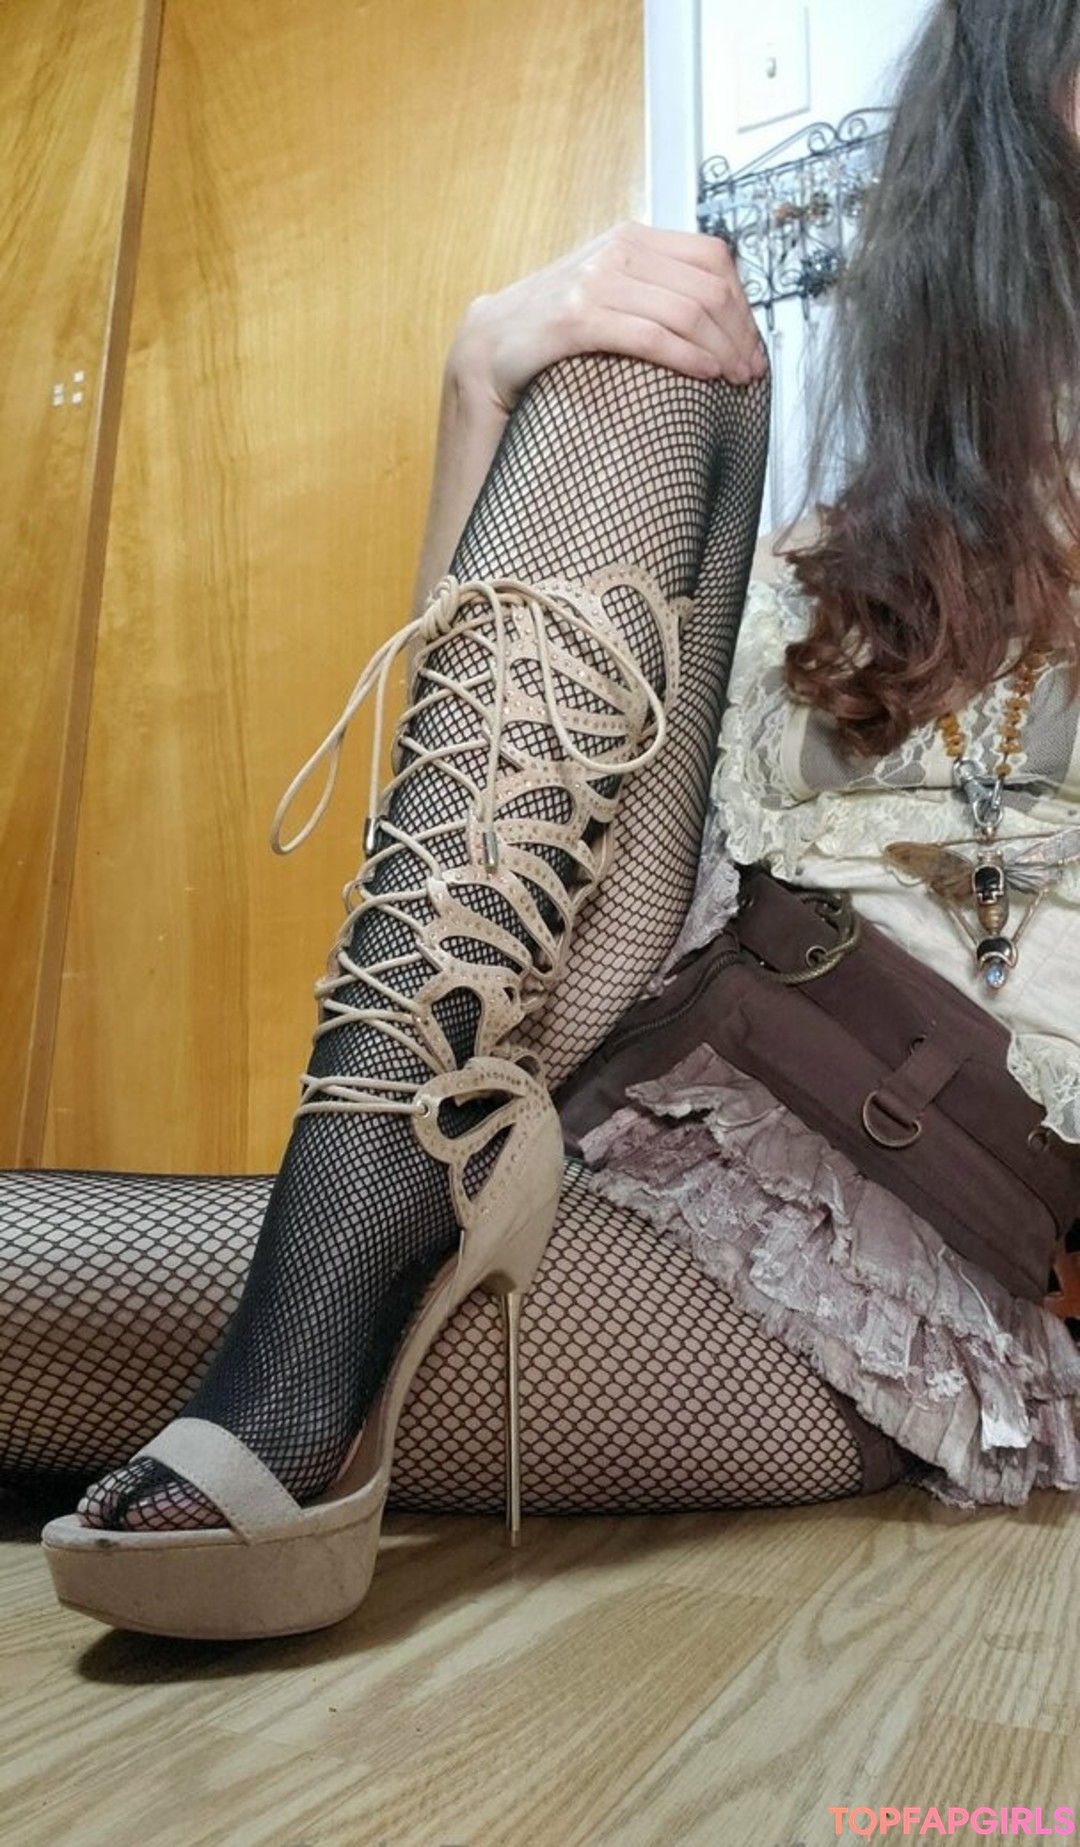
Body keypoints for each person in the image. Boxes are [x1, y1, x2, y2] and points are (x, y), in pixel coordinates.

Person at [24, 0, 1080, 1636]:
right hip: (594, 1067)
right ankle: (360, 1249)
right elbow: (488, 840)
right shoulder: (862, 556)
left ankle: (321, 1332)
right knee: (642, 357)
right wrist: (478, 398)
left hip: (863, 1256)